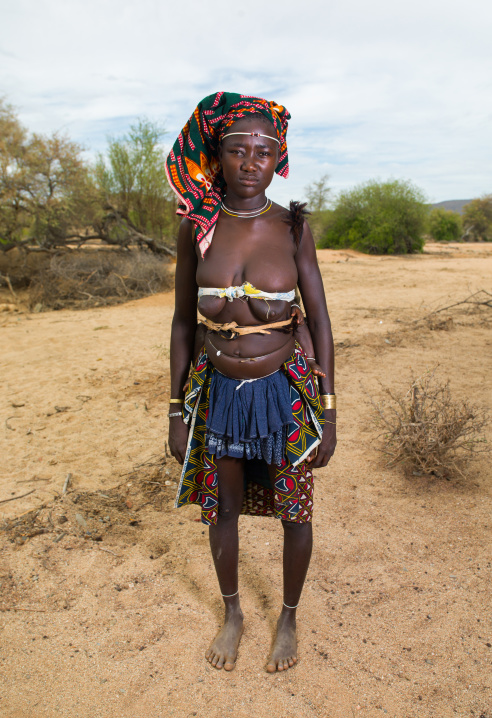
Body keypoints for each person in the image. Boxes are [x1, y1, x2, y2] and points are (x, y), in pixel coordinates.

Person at [166, 92, 336, 673]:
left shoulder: (293, 228)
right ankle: (233, 612)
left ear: (278, 158)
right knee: (223, 509)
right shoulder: (200, 228)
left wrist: (330, 414)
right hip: (217, 393)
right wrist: (174, 411)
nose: (250, 161)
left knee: (297, 510)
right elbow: (183, 321)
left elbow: (319, 319)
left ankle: (287, 616)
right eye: (237, 150)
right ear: (218, 155)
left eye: (263, 151)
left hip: (284, 392)